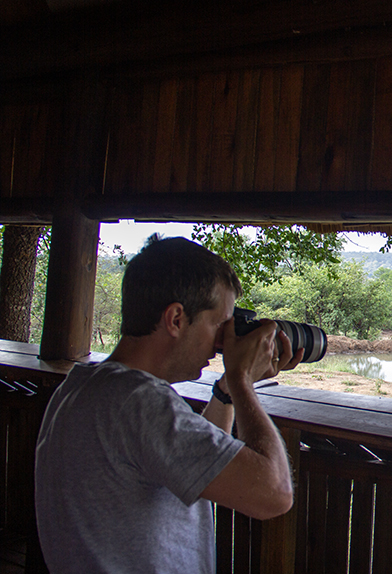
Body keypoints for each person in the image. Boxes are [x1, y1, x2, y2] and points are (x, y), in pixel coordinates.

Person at [34, 235, 300, 573]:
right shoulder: (139, 403)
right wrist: (242, 379)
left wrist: (227, 391)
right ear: (176, 318)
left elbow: (202, 462)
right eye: (220, 325)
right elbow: (273, 494)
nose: (223, 343)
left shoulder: (82, 387)